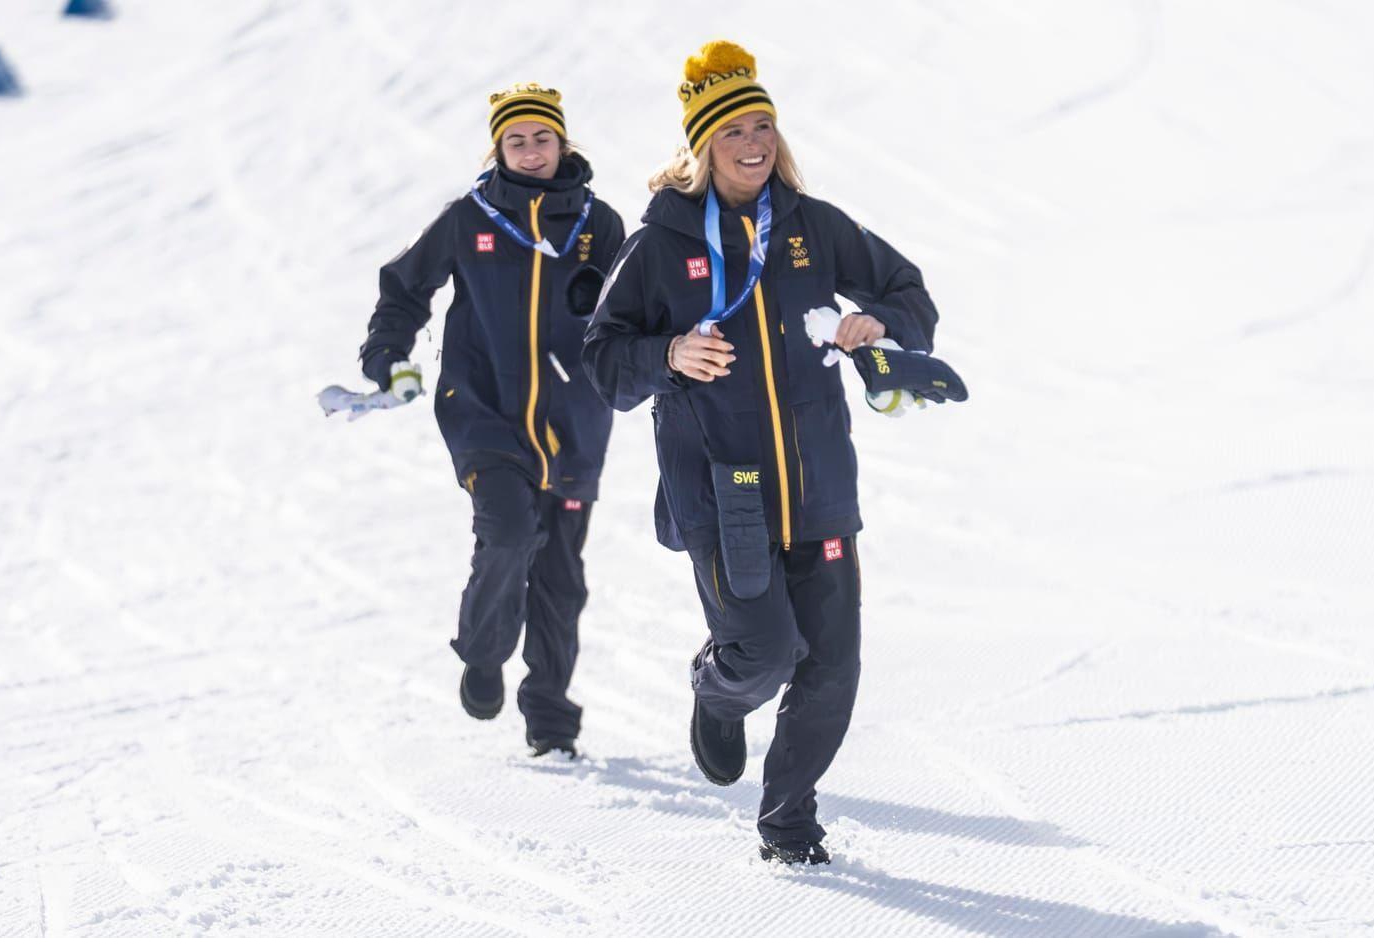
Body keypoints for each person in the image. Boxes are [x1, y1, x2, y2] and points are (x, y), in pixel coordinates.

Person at [583, 41, 943, 864]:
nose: (755, 143)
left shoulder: (812, 226)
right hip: (723, 491)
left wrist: (879, 325)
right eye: (735, 129)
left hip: (819, 485)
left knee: (833, 672)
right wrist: (668, 355)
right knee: (764, 653)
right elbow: (605, 361)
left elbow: (909, 290)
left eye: (765, 125)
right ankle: (719, 693)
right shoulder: (660, 243)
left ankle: (788, 825)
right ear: (701, 144)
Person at [359, 83, 626, 758]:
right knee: (507, 532)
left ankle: (551, 722)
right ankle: (483, 652)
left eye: (542, 138)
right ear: (498, 148)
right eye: (517, 140)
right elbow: (405, 286)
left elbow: (637, 313)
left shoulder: (603, 224)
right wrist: (387, 353)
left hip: (574, 424)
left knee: (561, 578)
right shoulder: (468, 219)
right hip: (483, 412)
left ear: (563, 143)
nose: (531, 152)